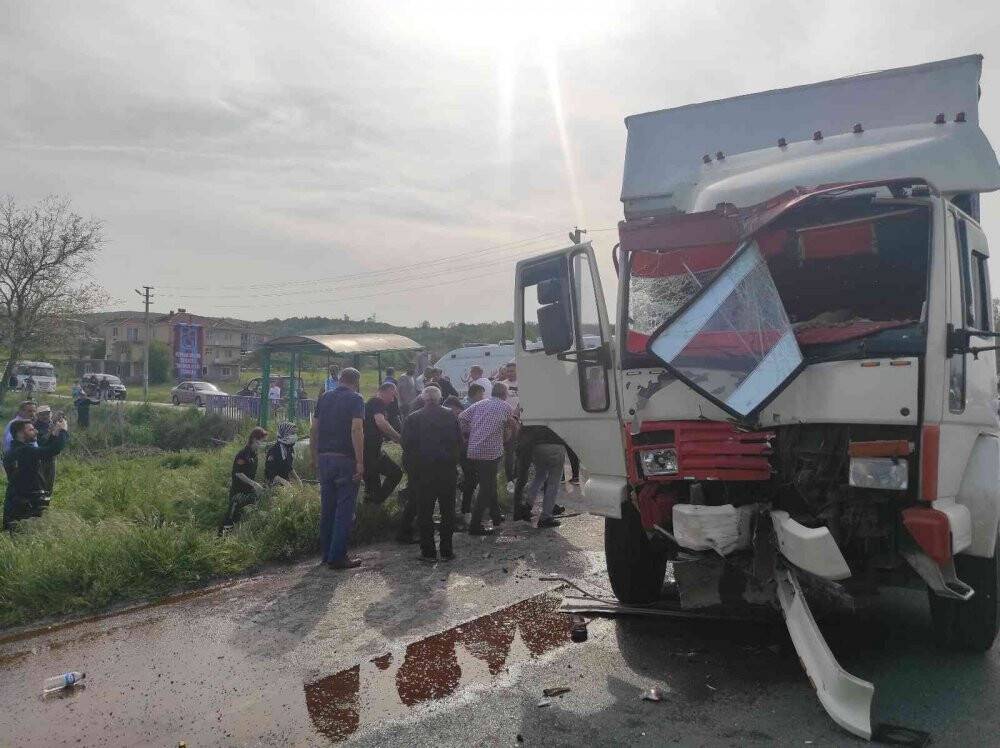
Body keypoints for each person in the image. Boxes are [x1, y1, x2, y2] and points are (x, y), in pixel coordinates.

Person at [311, 367, 365, 569]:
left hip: (325, 459)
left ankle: (326, 554)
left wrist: (314, 456)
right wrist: (360, 461)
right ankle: (338, 557)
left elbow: (314, 428)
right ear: (356, 382)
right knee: (344, 510)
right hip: (345, 460)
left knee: (328, 509)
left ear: (340, 379)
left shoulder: (324, 398)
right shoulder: (356, 399)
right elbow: (357, 429)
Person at [401, 386, 462, 562]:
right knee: (447, 512)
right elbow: (459, 441)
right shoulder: (450, 415)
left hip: (423, 473)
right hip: (447, 471)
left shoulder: (413, 418)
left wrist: (412, 471)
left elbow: (406, 445)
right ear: (440, 398)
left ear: (423, 399)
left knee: (424, 513)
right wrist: (453, 462)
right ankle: (447, 550)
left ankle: (428, 552)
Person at [458, 382, 514, 536]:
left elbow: (461, 417)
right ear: (504, 395)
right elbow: (509, 431)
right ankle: (475, 525)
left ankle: (496, 517)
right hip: (490, 453)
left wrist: (468, 433)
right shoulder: (506, 407)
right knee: (486, 488)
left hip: (474, 450)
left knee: (489, 483)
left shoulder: (480, 404)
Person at [3, 417, 69, 531]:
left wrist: (54, 434)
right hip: (25, 505)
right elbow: (51, 450)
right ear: (20, 433)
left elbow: (42, 450)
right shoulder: (24, 451)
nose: (36, 431)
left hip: (18, 502)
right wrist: (63, 431)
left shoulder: (16, 450)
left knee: (16, 536)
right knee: (24, 538)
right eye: (31, 430)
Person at [363, 382, 403, 504]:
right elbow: (380, 423)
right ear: (384, 391)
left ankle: (373, 506)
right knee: (395, 474)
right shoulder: (377, 401)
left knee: (373, 487)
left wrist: (392, 437)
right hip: (369, 452)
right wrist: (399, 438)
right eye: (392, 395)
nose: (392, 400)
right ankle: (374, 507)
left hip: (372, 451)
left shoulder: (373, 403)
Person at [221, 427, 267, 533]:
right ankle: (221, 540)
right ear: (255, 440)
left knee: (245, 517)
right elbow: (238, 473)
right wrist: (254, 483)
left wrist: (256, 485)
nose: (262, 443)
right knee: (230, 518)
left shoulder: (254, 455)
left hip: (249, 492)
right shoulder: (243, 454)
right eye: (261, 441)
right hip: (238, 493)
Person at [523, 440, 566, 529]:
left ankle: (527, 505)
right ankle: (545, 517)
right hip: (555, 447)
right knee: (553, 484)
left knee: (539, 476)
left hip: (538, 447)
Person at [265, 421, 301, 487]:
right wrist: (284, 482)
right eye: (292, 433)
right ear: (284, 434)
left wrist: (298, 479)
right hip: (274, 485)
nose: (294, 436)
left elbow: (288, 466)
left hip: (286, 483)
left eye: (295, 433)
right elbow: (270, 473)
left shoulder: (289, 448)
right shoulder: (273, 451)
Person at [33, 406, 57, 493]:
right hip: (40, 458)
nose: (45, 416)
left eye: (47, 414)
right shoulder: (34, 426)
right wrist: (50, 432)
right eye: (42, 414)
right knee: (40, 482)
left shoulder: (52, 423)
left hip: (51, 457)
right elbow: (40, 442)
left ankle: (47, 502)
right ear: (38, 416)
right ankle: (39, 503)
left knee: (50, 482)